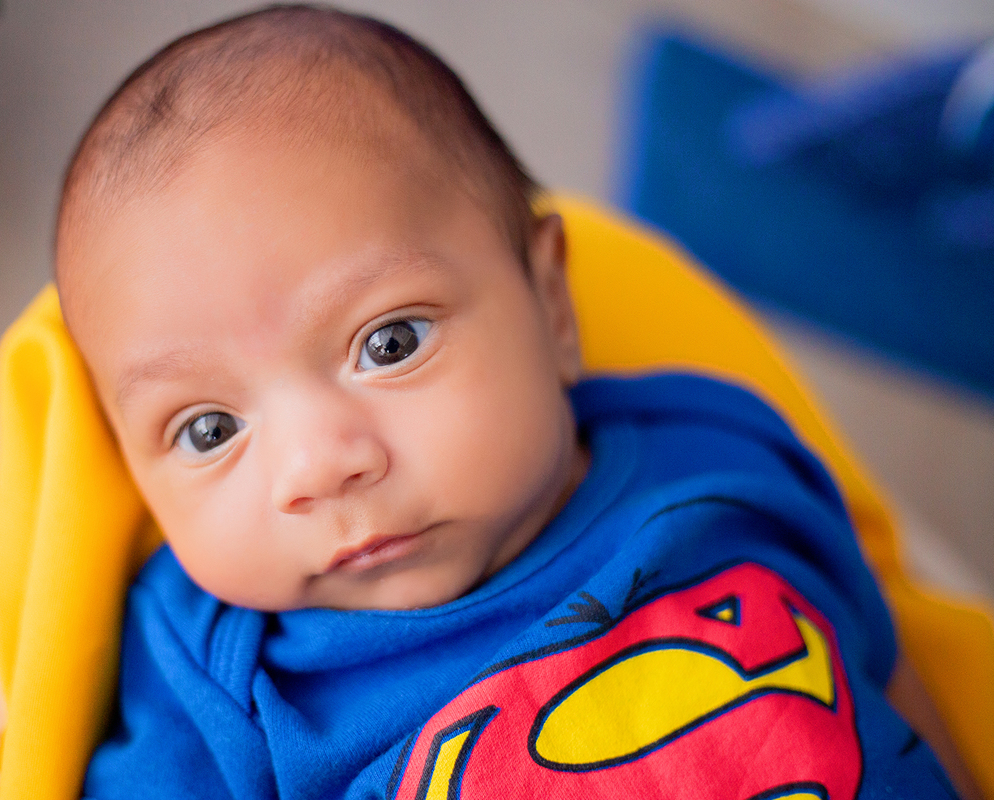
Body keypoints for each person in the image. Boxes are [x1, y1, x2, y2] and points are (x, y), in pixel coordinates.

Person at [53, 6, 977, 799]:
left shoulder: (715, 455)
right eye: (209, 430)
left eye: (390, 343)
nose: (318, 466)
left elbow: (886, 673)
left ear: (551, 304)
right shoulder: (217, 673)